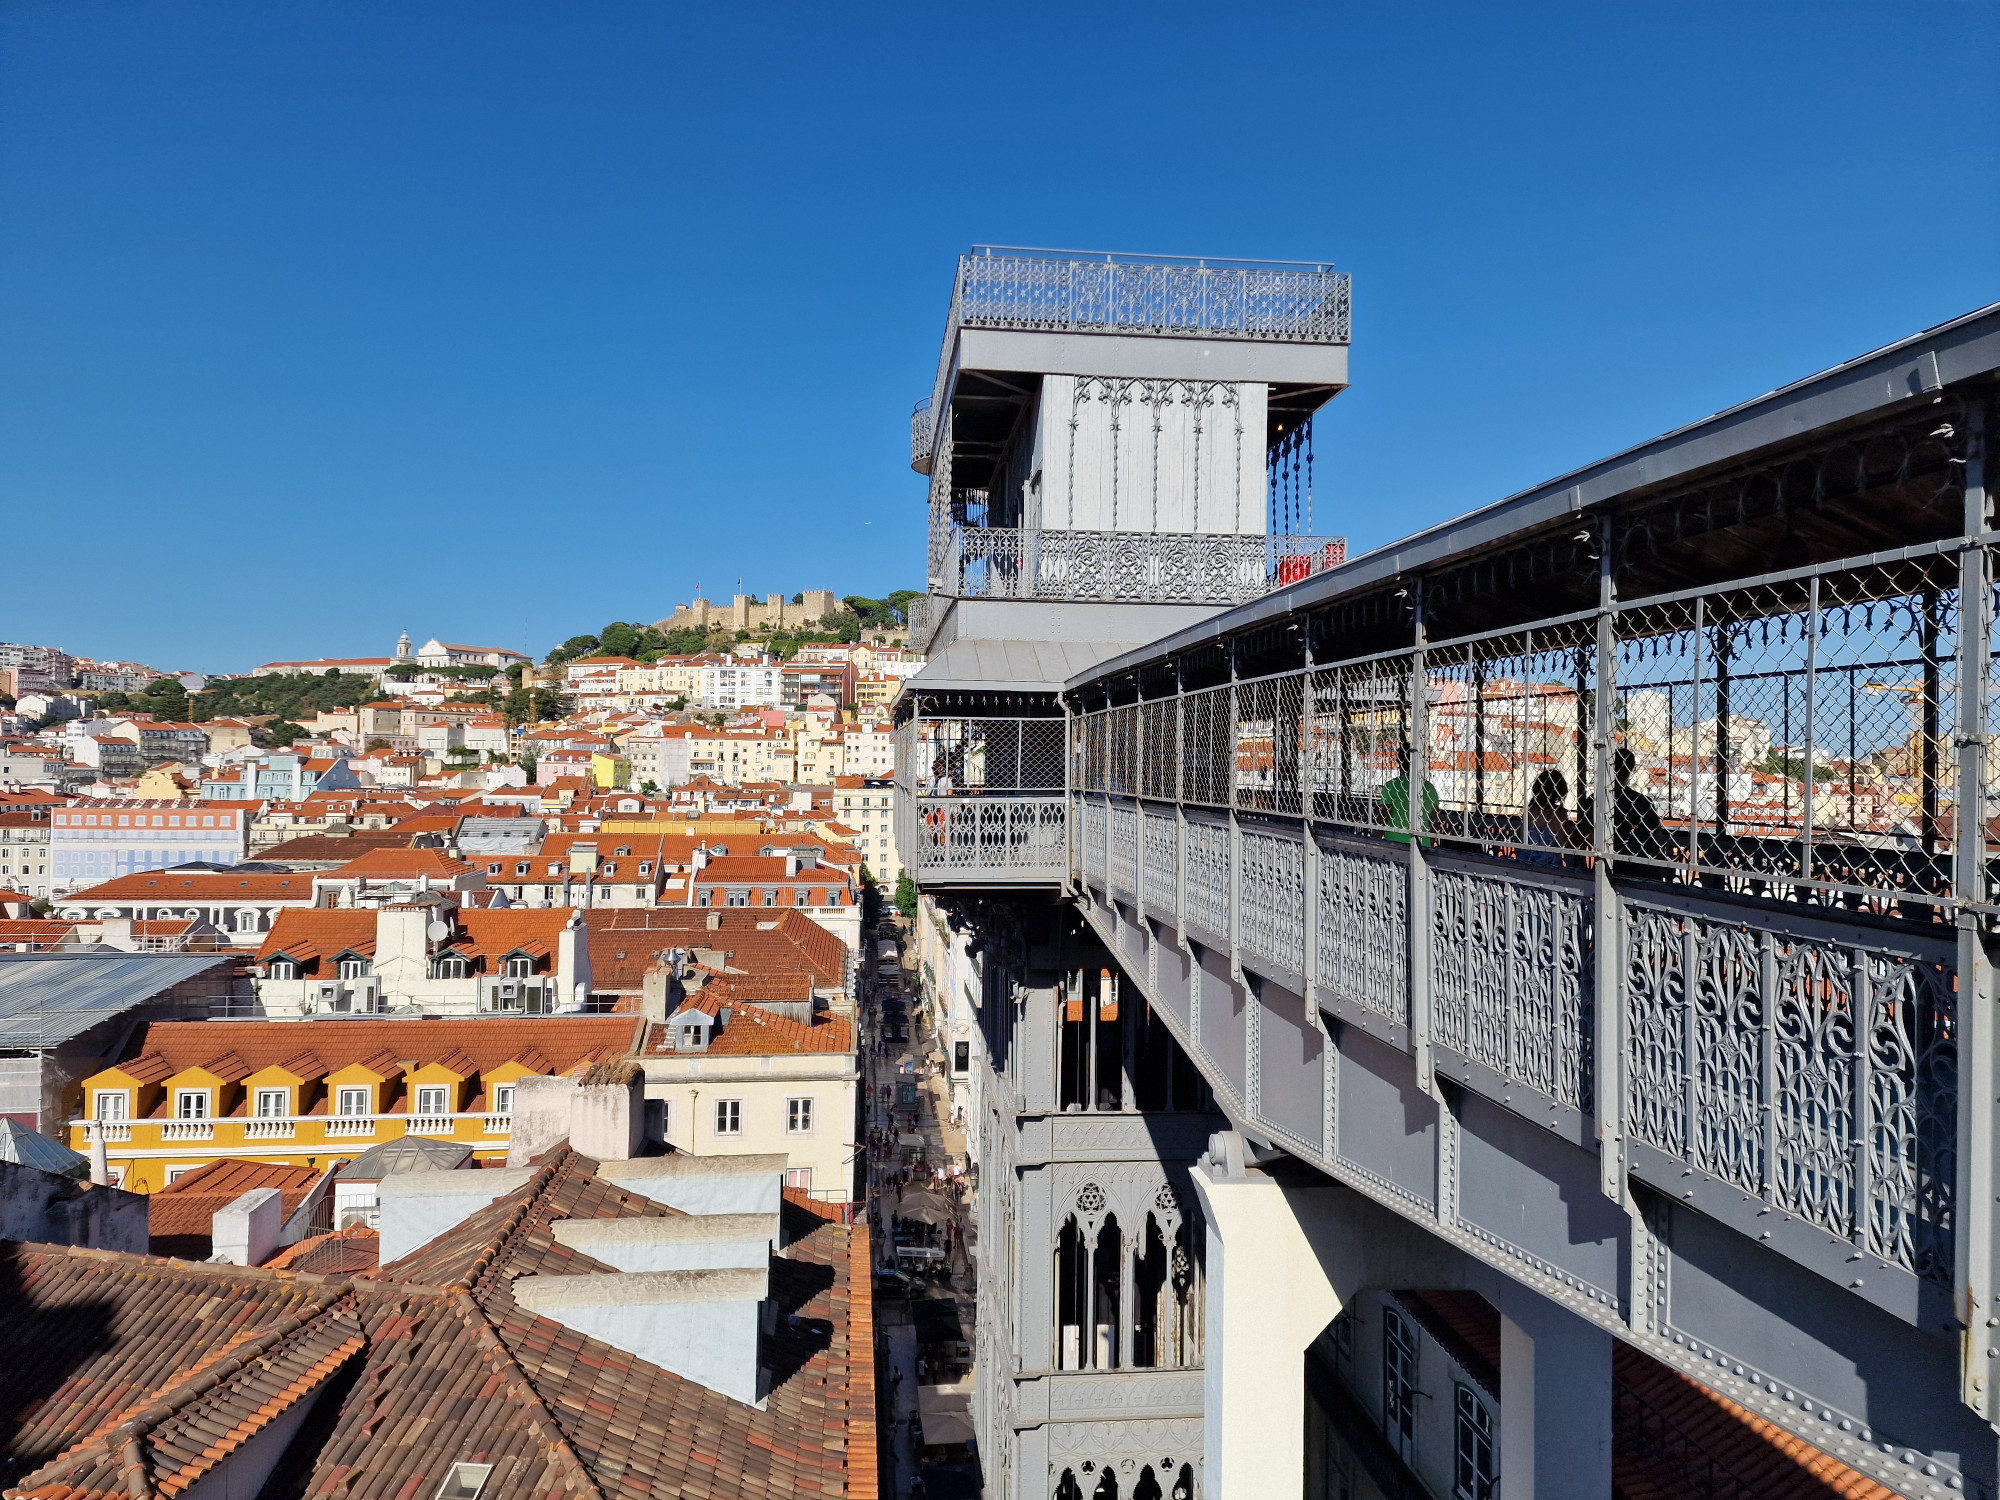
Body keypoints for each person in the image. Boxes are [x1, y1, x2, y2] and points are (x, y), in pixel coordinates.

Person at [1378, 742, 1440, 846]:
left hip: (1394, 843)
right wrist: (1431, 844)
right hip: (1422, 844)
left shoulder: (1391, 786)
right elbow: (1434, 821)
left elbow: (1383, 817)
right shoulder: (1429, 788)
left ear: (1399, 761)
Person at [1518, 769, 1576, 867]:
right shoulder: (1559, 813)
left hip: (1525, 862)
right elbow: (1562, 843)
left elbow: (1520, 837)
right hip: (1550, 865)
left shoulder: (1530, 811)